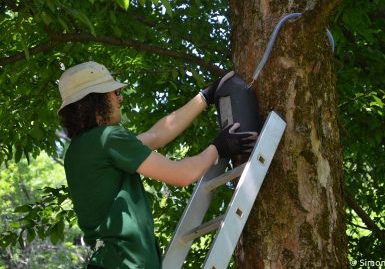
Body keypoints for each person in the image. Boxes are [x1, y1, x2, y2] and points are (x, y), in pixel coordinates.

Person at [57, 61, 257, 269]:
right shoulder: (107, 139)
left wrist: (205, 97)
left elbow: (156, 135)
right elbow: (181, 175)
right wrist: (219, 147)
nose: (120, 98)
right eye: (113, 93)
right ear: (95, 100)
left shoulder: (79, 151)